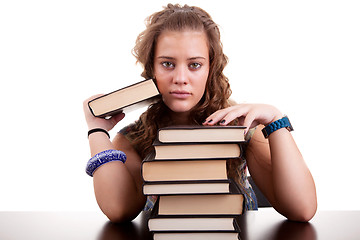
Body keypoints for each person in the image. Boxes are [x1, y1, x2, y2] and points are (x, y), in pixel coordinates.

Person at [83, 4, 317, 223]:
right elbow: (118, 209)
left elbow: (303, 209)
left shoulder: (241, 128)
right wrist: (97, 131)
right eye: (167, 64)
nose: (180, 78)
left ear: (210, 68)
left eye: (194, 65)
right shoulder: (133, 138)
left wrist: (275, 120)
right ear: (151, 68)